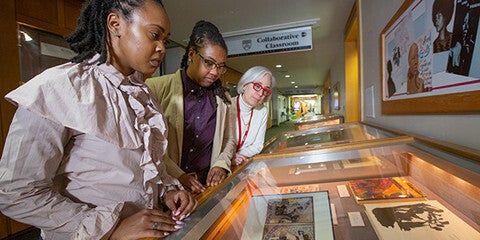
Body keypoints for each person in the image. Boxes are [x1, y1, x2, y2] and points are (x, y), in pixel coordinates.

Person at [0, 1, 197, 239]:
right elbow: (15, 192)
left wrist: (167, 190)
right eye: (154, 35)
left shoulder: (143, 95)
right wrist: (109, 227)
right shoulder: (58, 88)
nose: (161, 48)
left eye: (165, 40)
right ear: (115, 24)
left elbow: (145, 167)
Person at [146, 20, 236, 194]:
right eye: (209, 63)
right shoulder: (155, 88)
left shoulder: (223, 97)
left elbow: (228, 139)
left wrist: (221, 164)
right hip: (169, 187)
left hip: (207, 187)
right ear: (192, 54)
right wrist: (179, 176)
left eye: (221, 66)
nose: (215, 72)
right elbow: (151, 145)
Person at [230, 66, 275, 169]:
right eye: (257, 86)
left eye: (266, 90)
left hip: (243, 162)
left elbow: (258, 145)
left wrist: (238, 156)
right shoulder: (226, 106)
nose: (260, 94)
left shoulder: (262, 111)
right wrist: (228, 157)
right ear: (245, 85)